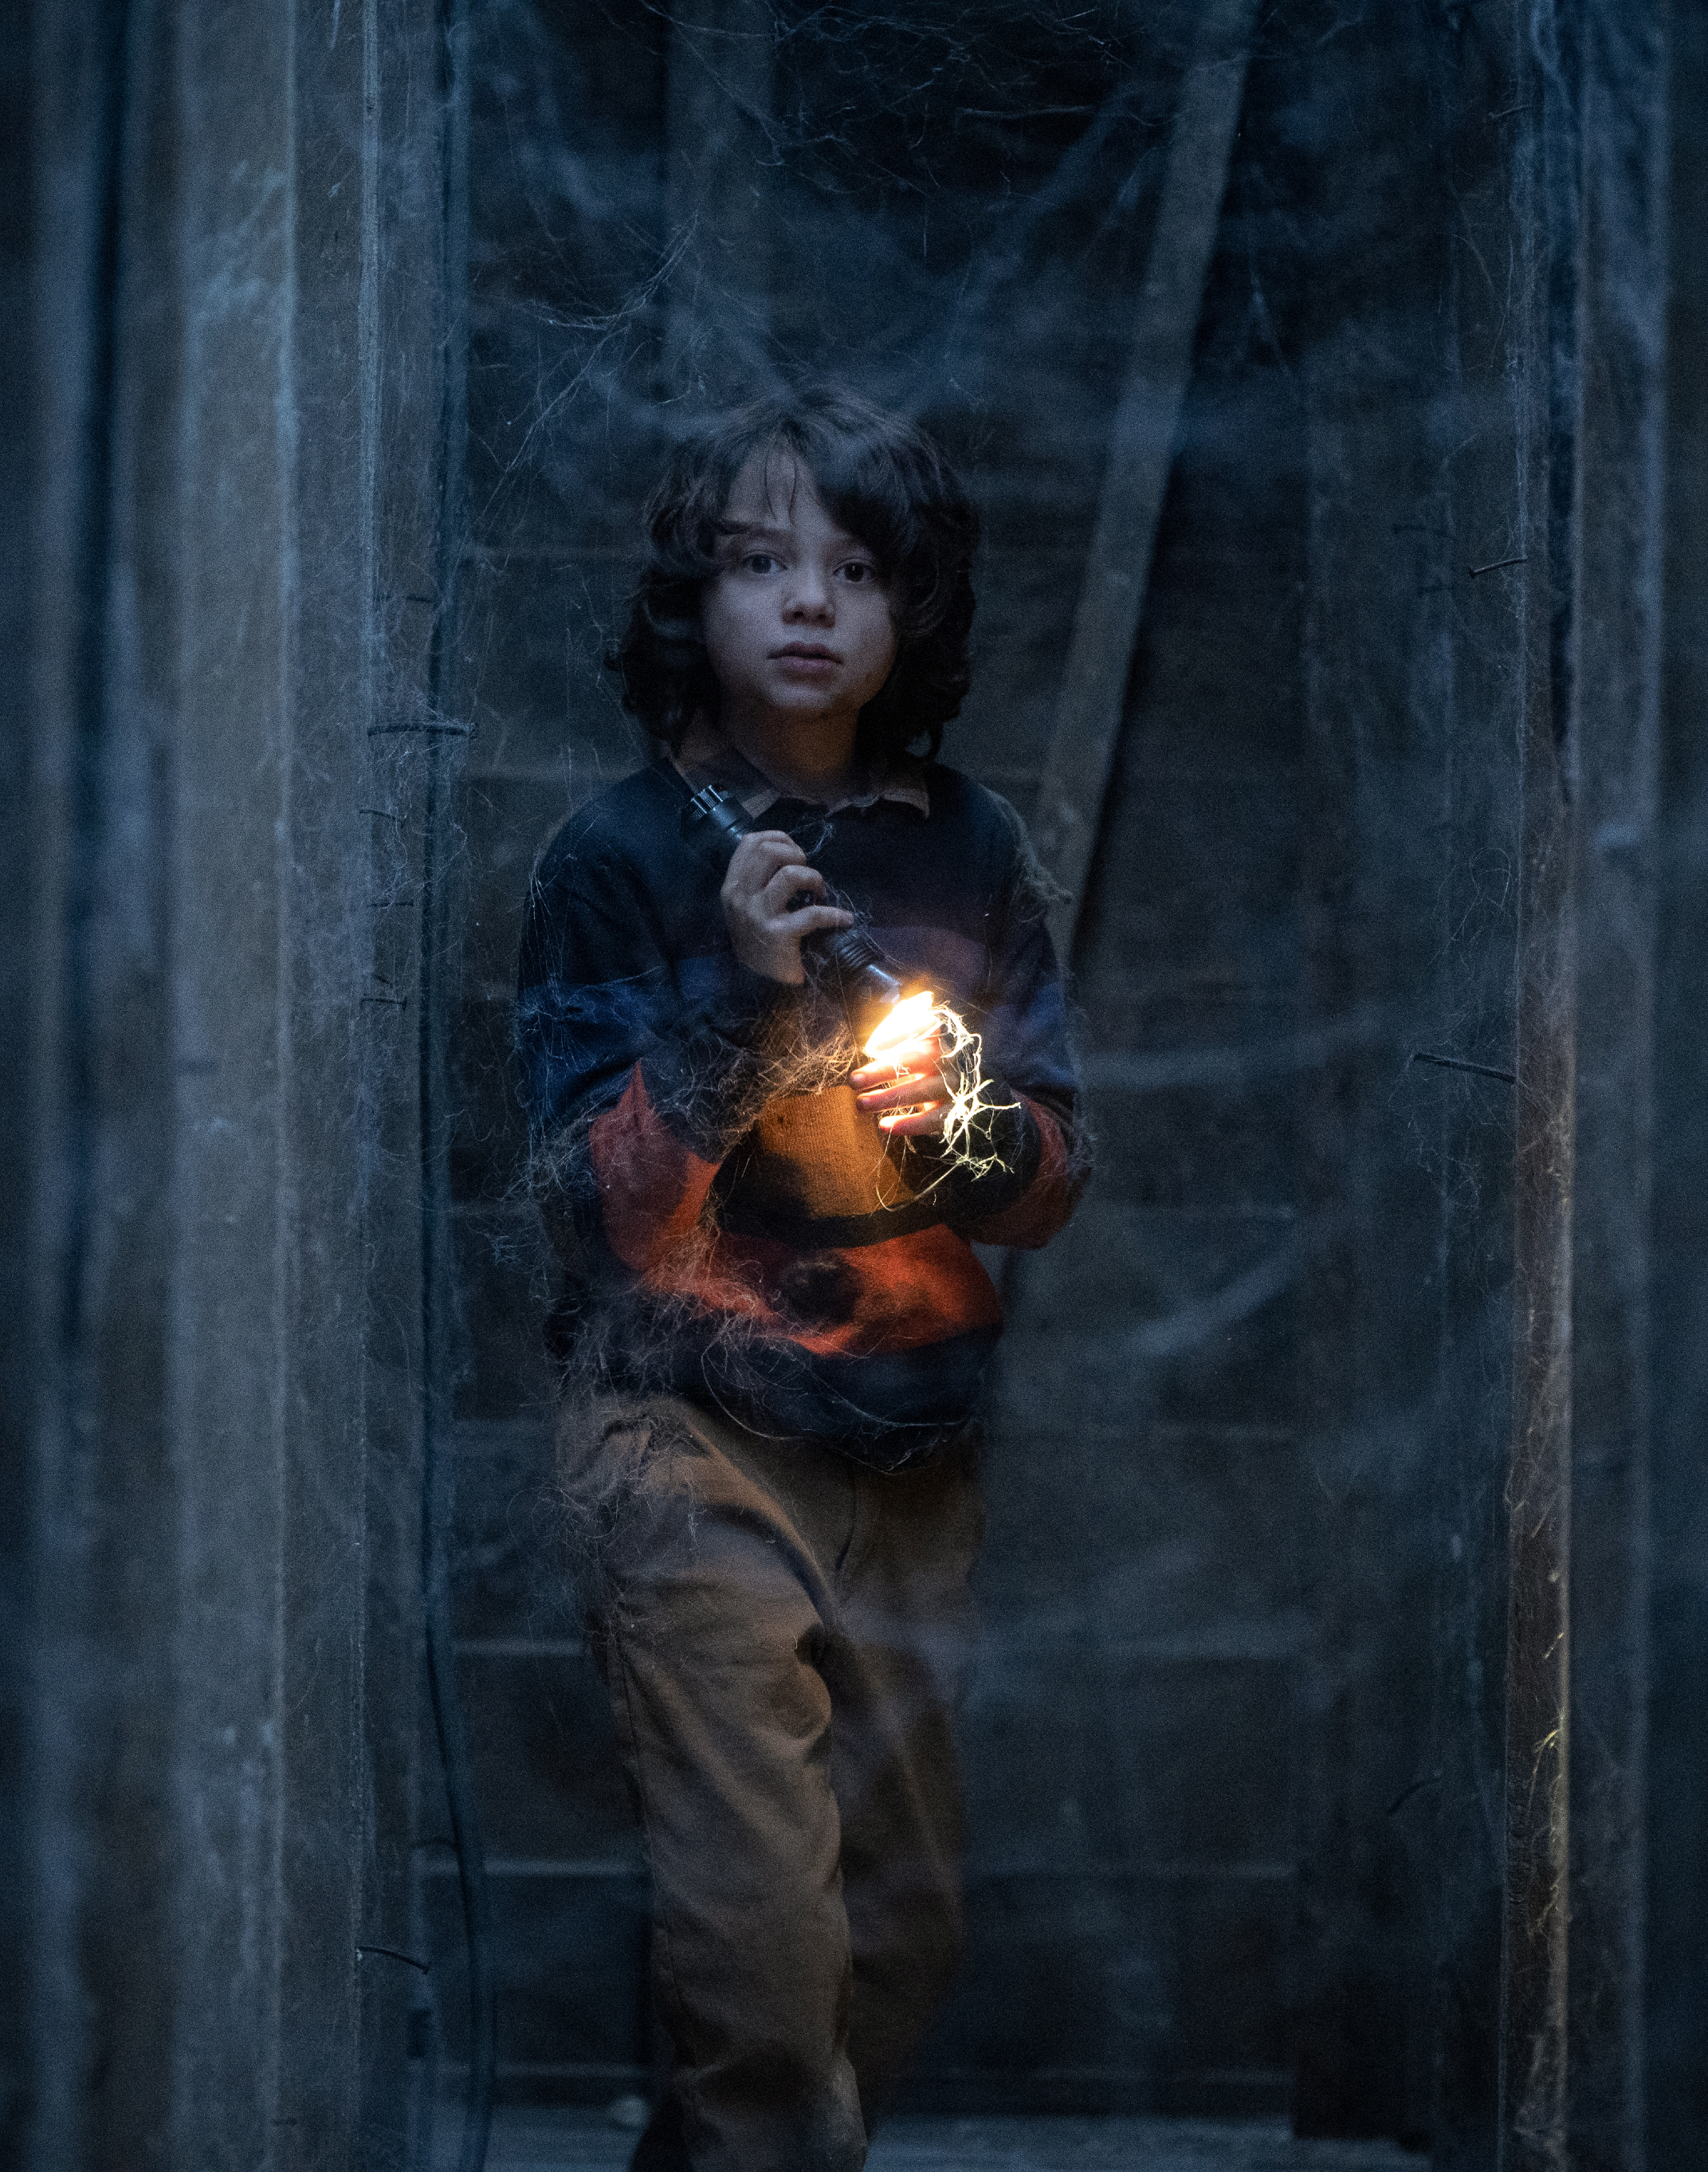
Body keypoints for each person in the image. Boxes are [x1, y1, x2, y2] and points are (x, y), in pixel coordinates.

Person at [512, 387, 1087, 2170]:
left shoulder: (970, 849)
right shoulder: (618, 861)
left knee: (890, 1935)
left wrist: (957, 1120)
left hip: (915, 1454)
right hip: (687, 1438)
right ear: (694, 600)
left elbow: (1045, 1186)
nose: (811, 601)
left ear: (914, 608)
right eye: (762, 564)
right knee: (758, 1955)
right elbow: (589, 1215)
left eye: (855, 565)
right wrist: (752, 1010)